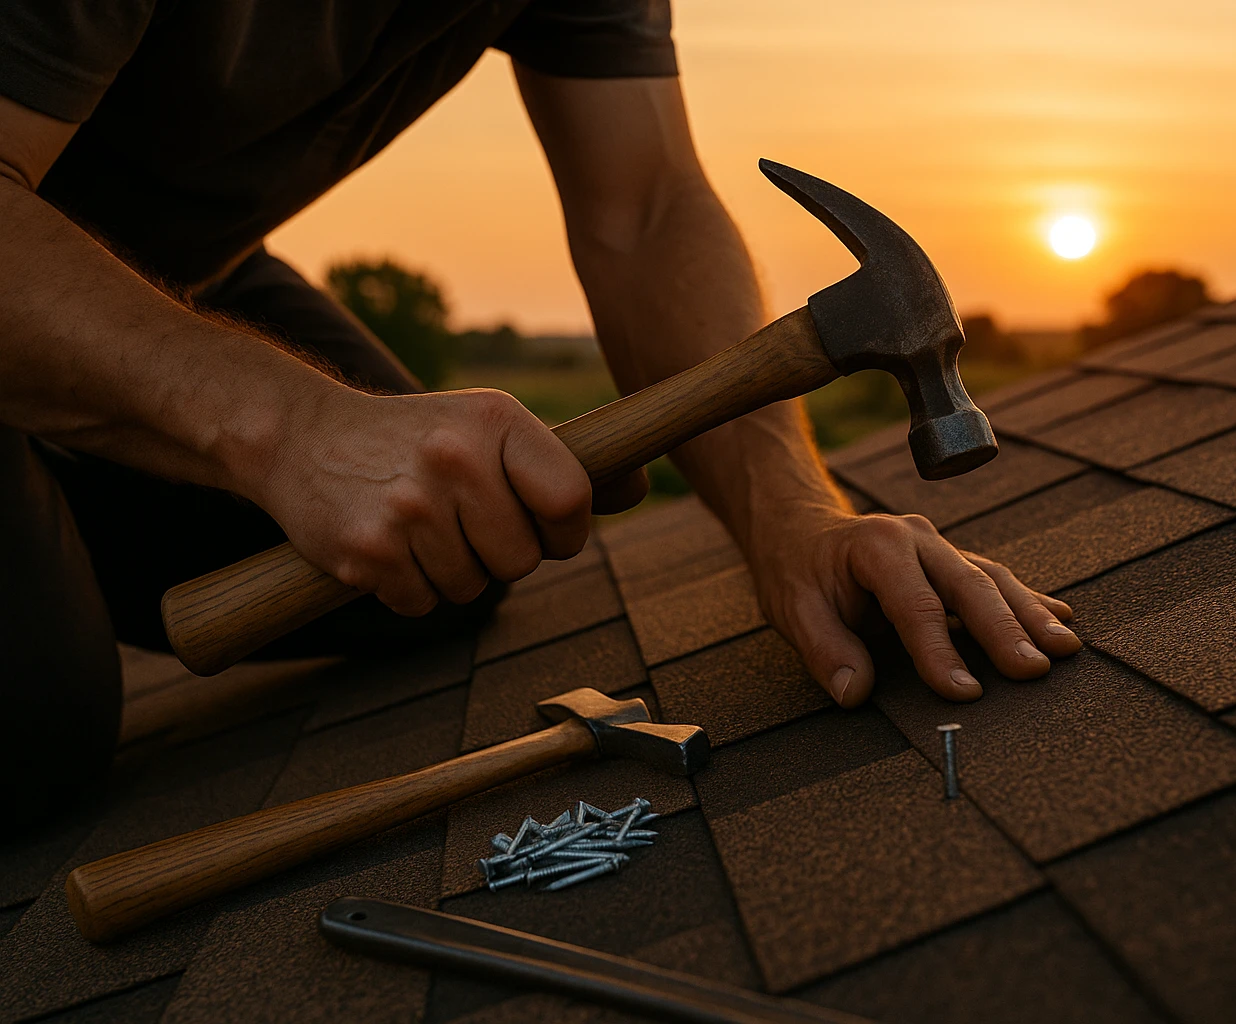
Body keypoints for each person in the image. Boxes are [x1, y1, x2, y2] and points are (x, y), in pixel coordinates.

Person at [0, 0, 1080, 825]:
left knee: (431, 549)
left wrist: (790, 515)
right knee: (32, 728)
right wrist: (286, 427)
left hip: (165, 269)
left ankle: (65, 436)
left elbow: (645, 205)